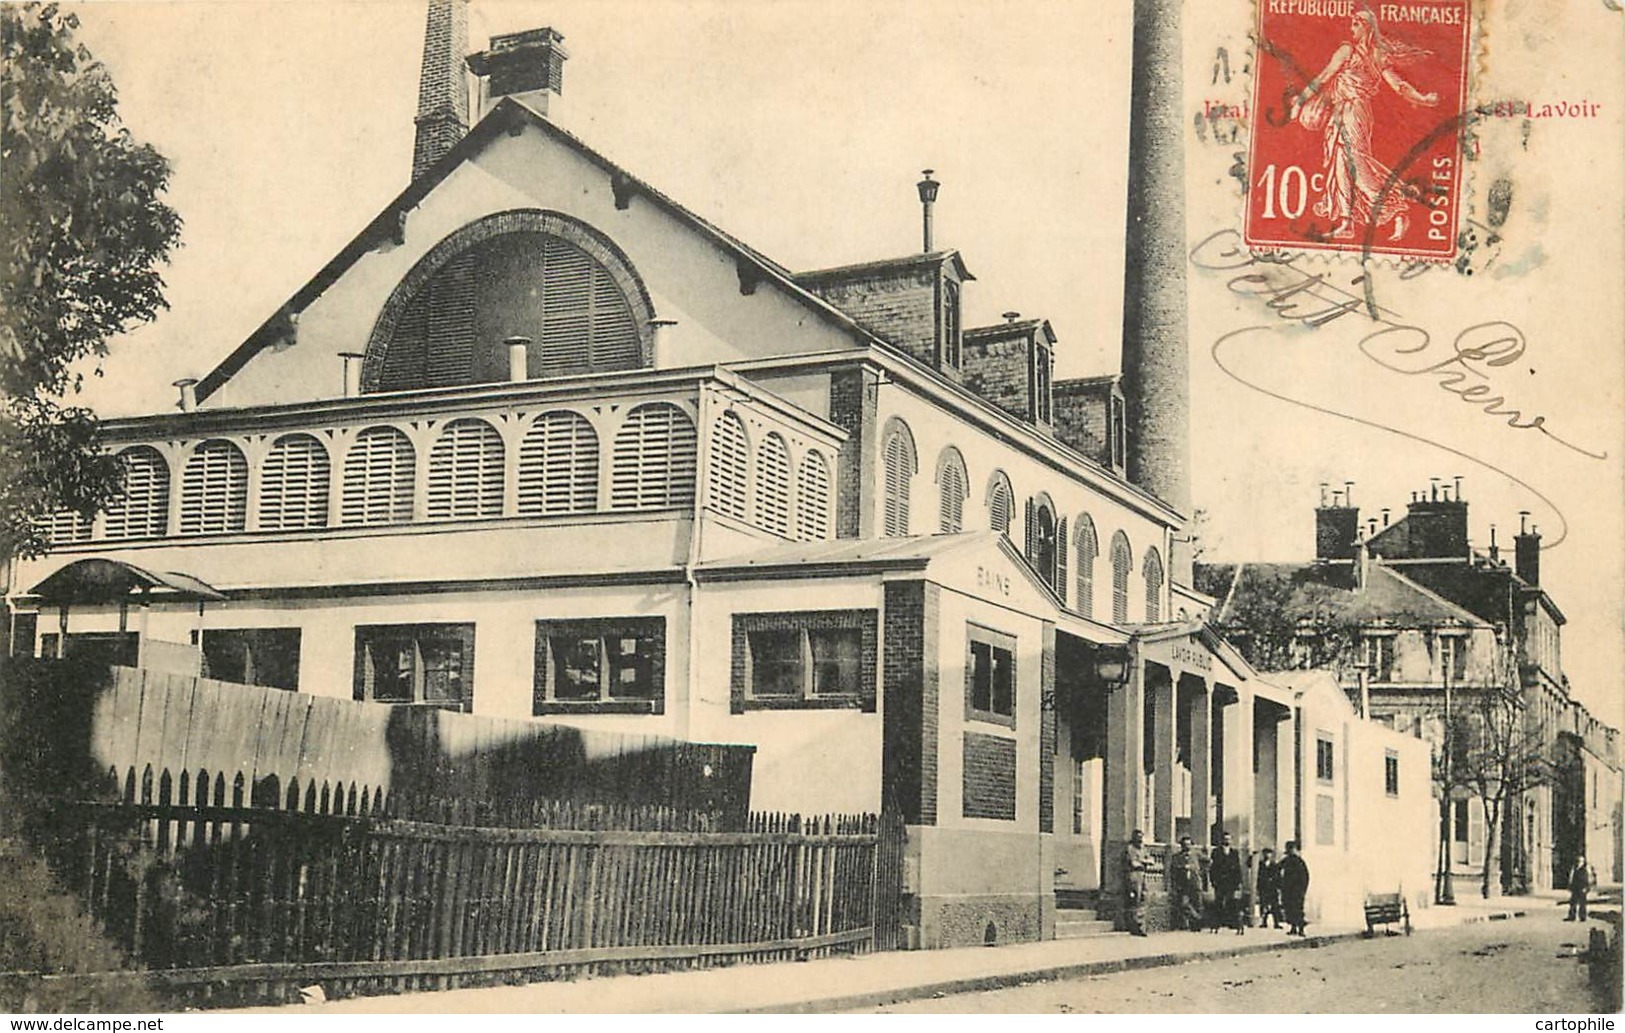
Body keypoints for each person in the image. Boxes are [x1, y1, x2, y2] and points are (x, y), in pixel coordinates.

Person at [1287, 11, 1439, 242]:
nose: (1352, 30)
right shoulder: (1349, 51)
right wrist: (1301, 102)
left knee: (1357, 165)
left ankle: (1396, 210)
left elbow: (1398, 85)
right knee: (1341, 166)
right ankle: (1346, 223)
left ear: (1366, 26)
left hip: (1355, 112)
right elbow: (1325, 76)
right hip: (1340, 111)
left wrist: (1423, 99)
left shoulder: (1371, 54)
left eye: (1356, 25)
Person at [1210, 832, 1245, 935]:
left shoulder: (1234, 852)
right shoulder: (1216, 852)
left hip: (1231, 882)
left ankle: (1234, 924)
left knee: (1233, 903)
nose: (1227, 841)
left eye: (1229, 839)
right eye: (1225, 839)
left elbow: (1238, 868)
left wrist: (1239, 882)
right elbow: (1213, 868)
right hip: (1220, 882)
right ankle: (1216, 925)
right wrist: (1213, 881)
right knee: (1218, 903)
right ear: (1222, 840)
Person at [1169, 835, 1205, 931]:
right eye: (1185, 845)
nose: (1187, 847)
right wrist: (1183, 867)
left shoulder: (1196, 855)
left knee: (1198, 904)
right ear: (1181, 846)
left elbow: (1208, 862)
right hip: (1183, 884)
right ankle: (1197, 918)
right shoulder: (1176, 857)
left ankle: (1196, 926)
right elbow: (1173, 870)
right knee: (1184, 904)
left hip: (1195, 883)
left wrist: (1198, 871)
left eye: (1189, 844)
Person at [1122, 829, 1151, 936]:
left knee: (1143, 898)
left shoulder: (1143, 849)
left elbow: (1151, 860)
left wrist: (1142, 862)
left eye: (1141, 837)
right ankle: (1135, 925)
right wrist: (1143, 862)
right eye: (1138, 837)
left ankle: (1141, 924)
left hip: (1142, 875)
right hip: (1134, 875)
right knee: (1135, 899)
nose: (1140, 839)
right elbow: (1134, 864)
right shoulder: (1130, 849)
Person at [1280, 840, 1311, 936]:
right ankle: (1293, 928)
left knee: (1298, 909)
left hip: (1297, 891)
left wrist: (1302, 890)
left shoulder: (1299, 862)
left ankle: (1301, 929)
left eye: (1291, 849)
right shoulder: (1286, 861)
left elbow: (1305, 877)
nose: (1290, 851)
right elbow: (1277, 869)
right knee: (1289, 909)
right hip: (1288, 890)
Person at [1256, 846, 1283, 930]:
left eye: (1269, 853)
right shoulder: (1260, 864)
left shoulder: (1274, 865)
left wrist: (1278, 886)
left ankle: (1276, 922)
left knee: (1275, 905)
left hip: (1272, 888)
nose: (1267, 855)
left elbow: (1278, 876)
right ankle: (1264, 922)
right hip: (1263, 887)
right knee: (1264, 905)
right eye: (1265, 853)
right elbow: (1258, 876)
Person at [1566, 855, 1597, 922]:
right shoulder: (1574, 868)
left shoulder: (1586, 869)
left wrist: (1587, 887)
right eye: (1578, 861)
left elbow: (1590, 878)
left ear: (1583, 862)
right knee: (1573, 902)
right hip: (1575, 887)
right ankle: (1572, 916)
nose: (1579, 862)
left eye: (1581, 861)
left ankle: (1582, 917)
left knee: (1582, 903)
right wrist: (1570, 886)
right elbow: (1571, 878)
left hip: (1583, 887)